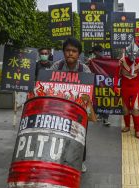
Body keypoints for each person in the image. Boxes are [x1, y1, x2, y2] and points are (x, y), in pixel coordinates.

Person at [50, 37, 91, 173]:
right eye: (67, 50)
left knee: (80, 137)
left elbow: (89, 92)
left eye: (74, 51)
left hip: (78, 111)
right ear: (63, 52)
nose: (70, 53)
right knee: (59, 135)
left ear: (79, 54)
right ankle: (58, 159)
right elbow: (47, 84)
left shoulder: (84, 69)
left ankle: (80, 161)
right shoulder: (57, 67)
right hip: (59, 109)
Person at [113, 41, 139, 139]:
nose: (132, 57)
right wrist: (115, 86)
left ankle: (137, 130)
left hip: (135, 89)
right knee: (125, 109)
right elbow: (116, 75)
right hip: (125, 88)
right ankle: (127, 126)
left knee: (135, 109)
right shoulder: (122, 61)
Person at [89, 45, 111, 126]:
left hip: (106, 84)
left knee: (106, 100)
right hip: (98, 84)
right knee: (99, 99)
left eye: (94, 53)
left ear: (97, 52)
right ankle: (101, 115)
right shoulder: (94, 61)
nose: (94, 55)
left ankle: (105, 118)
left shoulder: (107, 60)